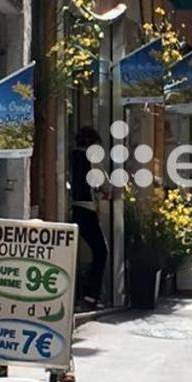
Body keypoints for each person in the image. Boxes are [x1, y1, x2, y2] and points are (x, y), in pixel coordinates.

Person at [70, 126, 110, 309]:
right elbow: (105, 187)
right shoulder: (92, 159)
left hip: (73, 209)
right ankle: (90, 296)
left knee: (72, 252)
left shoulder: (71, 157)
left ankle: (79, 293)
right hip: (87, 210)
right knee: (101, 252)